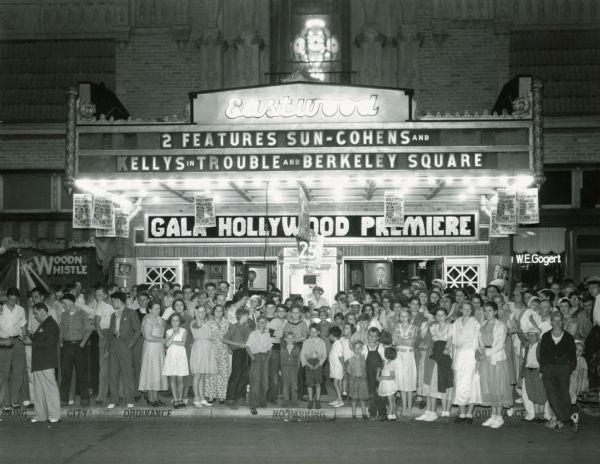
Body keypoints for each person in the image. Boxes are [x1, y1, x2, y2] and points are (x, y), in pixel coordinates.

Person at [477, 301, 513, 429]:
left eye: (490, 311)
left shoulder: (501, 326)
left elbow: (499, 344)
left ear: (496, 312)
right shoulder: (483, 325)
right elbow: (479, 342)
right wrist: (480, 352)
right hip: (485, 359)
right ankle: (493, 415)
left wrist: (485, 353)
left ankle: (499, 417)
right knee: (490, 387)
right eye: (485, 311)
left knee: (499, 387)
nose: (487, 313)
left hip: (496, 359)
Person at [540, 311, 577, 431]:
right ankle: (568, 416)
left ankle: (559, 419)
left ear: (563, 322)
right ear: (551, 321)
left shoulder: (568, 337)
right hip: (548, 369)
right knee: (551, 395)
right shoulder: (545, 336)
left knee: (563, 394)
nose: (557, 323)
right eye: (554, 320)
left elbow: (573, 357)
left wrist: (569, 368)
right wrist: (542, 369)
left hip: (563, 369)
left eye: (559, 320)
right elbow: (542, 355)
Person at [445, 301, 481, 424]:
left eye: (469, 309)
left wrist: (477, 359)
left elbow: (478, 342)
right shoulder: (456, 323)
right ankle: (462, 414)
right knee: (459, 383)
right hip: (459, 355)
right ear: (460, 309)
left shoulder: (475, 324)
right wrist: (449, 352)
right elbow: (451, 339)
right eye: (464, 309)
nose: (466, 311)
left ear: (471, 311)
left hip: (471, 356)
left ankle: (469, 414)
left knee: (471, 383)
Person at [24, 303, 60, 423]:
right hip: (39, 362)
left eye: (35, 313)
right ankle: (41, 415)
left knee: (50, 389)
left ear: (42, 311)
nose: (34, 316)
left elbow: (48, 344)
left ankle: (54, 415)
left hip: (46, 361)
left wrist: (31, 342)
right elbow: (40, 339)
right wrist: (30, 338)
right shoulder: (44, 324)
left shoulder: (51, 324)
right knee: (39, 391)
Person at [418, 307, 453, 422]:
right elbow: (427, 340)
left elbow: (450, 342)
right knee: (428, 382)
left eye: (442, 315)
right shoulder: (432, 326)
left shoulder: (450, 327)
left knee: (435, 382)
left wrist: (446, 349)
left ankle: (433, 411)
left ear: (446, 315)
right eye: (437, 315)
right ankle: (428, 411)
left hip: (442, 356)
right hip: (431, 354)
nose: (439, 317)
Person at [108, 291, 141, 409]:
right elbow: (110, 332)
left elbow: (138, 330)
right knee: (113, 374)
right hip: (114, 345)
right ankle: (113, 400)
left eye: (113, 300)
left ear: (118, 300)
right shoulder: (113, 315)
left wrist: (130, 344)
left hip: (125, 345)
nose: (112, 302)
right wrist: (108, 348)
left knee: (127, 373)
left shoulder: (131, 313)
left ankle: (129, 399)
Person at [59, 293, 92, 407]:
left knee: (82, 373)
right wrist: (61, 342)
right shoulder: (63, 315)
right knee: (65, 373)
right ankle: (63, 399)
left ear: (72, 302)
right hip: (67, 346)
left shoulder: (83, 314)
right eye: (63, 303)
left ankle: (84, 398)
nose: (63, 305)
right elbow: (61, 330)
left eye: (65, 303)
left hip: (79, 345)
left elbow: (89, 330)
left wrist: (82, 343)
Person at [0, 287, 27, 410]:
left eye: (15, 300)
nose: (12, 302)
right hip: (4, 341)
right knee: (4, 373)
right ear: (7, 297)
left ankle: (14, 400)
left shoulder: (20, 309)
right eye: (10, 300)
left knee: (18, 372)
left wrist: (25, 337)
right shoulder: (1, 309)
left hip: (18, 341)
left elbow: (23, 326)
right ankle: (5, 402)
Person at [138, 300, 167, 407]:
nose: (158, 310)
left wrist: (162, 343)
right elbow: (148, 337)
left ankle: (155, 397)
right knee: (151, 371)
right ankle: (150, 398)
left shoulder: (160, 319)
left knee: (157, 372)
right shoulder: (148, 319)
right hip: (151, 348)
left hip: (159, 348)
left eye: (159, 308)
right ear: (149, 309)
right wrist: (161, 340)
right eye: (156, 308)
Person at [223, 308, 252, 409]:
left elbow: (249, 340)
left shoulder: (247, 327)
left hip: (246, 352)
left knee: (245, 375)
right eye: (247, 316)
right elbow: (225, 339)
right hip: (238, 352)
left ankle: (240, 396)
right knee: (236, 375)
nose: (248, 318)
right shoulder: (234, 327)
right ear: (242, 316)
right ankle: (230, 397)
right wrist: (237, 344)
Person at [517, 328, 547, 423]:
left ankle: (541, 416)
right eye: (529, 335)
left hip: (538, 371)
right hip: (529, 371)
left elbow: (544, 360)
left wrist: (542, 371)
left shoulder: (541, 346)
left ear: (538, 337)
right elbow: (525, 360)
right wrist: (523, 373)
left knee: (540, 393)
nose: (531, 337)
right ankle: (536, 415)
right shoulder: (527, 347)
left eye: (533, 335)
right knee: (532, 393)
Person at [189, 307, 217, 408]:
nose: (202, 313)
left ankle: (202, 398)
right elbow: (199, 325)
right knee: (197, 374)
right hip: (199, 349)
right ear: (196, 312)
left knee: (203, 375)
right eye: (199, 312)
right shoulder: (194, 322)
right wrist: (197, 315)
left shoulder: (207, 323)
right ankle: (196, 398)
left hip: (207, 349)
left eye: (203, 311)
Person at [92, 285, 114, 406]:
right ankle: (101, 396)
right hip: (105, 335)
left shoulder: (112, 305)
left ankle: (113, 394)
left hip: (114, 335)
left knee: (114, 367)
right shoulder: (100, 305)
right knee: (104, 368)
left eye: (100, 295)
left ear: (106, 295)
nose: (97, 297)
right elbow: (97, 323)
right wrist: (102, 337)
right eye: (96, 295)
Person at [392, 308, 417, 416]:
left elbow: (411, 342)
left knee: (409, 382)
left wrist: (401, 340)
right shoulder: (397, 327)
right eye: (401, 316)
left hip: (409, 356)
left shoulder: (414, 328)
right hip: (399, 356)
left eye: (405, 316)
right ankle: (404, 407)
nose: (403, 318)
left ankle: (409, 408)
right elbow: (394, 341)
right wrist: (404, 340)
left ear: (409, 317)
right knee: (401, 382)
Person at [246, 315, 272, 415]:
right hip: (256, 357)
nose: (262, 324)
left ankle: (262, 401)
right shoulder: (253, 334)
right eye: (260, 322)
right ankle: (253, 405)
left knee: (265, 381)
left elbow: (270, 347)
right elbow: (247, 347)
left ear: (266, 323)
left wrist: (268, 357)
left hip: (264, 358)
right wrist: (252, 357)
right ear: (257, 323)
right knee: (255, 381)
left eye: (264, 322)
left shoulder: (267, 334)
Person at [164, 313, 189, 409]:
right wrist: (173, 334)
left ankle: (180, 398)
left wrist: (172, 342)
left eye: (177, 320)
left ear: (180, 321)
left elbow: (183, 343)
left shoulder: (183, 331)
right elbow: (166, 344)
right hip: (171, 356)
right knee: (173, 378)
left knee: (180, 379)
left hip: (181, 356)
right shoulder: (168, 331)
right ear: (170, 322)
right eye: (173, 320)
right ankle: (175, 399)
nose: (175, 322)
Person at [205, 304, 230, 404]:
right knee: (211, 373)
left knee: (223, 373)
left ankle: (222, 396)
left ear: (223, 312)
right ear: (213, 312)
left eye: (221, 311)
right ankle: (211, 395)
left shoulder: (227, 323)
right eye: (217, 311)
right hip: (212, 350)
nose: (219, 312)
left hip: (223, 350)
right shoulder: (208, 323)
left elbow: (229, 337)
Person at [300, 323, 327, 409]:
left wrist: (319, 364)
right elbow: (302, 355)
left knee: (318, 384)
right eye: (311, 332)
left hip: (318, 364)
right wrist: (308, 364)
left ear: (319, 332)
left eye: (315, 332)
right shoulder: (306, 342)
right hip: (309, 364)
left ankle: (317, 401)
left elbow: (324, 355)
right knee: (309, 384)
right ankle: (310, 400)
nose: (313, 334)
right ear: (309, 332)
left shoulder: (322, 342)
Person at [266, 304, 287, 404]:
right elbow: (268, 332)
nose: (281, 312)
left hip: (278, 348)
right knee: (273, 374)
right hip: (272, 348)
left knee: (274, 373)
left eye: (283, 311)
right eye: (279, 311)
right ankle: (270, 397)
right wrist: (280, 334)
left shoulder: (284, 321)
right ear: (276, 312)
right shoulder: (276, 321)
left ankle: (272, 396)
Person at [345, 340, 369, 419]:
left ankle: (364, 413)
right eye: (355, 348)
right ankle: (354, 413)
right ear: (353, 349)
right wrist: (352, 374)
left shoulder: (364, 357)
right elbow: (347, 369)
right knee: (354, 397)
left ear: (362, 349)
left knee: (362, 398)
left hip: (362, 380)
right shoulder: (350, 359)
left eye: (359, 348)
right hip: (353, 380)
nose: (357, 350)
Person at [280, 331, 301, 407]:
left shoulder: (297, 349)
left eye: (291, 338)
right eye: (288, 338)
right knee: (285, 385)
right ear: (285, 339)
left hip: (294, 368)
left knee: (294, 385)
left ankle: (294, 401)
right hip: (285, 368)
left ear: (294, 339)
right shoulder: (282, 349)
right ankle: (285, 401)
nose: (290, 340)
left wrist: (297, 369)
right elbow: (281, 360)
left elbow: (298, 360)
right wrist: (280, 369)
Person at [377, 347, 398, 421]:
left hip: (389, 385)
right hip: (386, 384)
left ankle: (390, 415)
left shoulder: (391, 364)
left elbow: (392, 376)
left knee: (391, 401)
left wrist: (382, 377)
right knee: (391, 401)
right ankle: (393, 415)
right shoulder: (385, 362)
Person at [328, 325, 344, 408]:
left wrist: (344, 368)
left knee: (335, 383)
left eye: (329, 335)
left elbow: (341, 357)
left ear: (332, 336)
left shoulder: (338, 345)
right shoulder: (335, 344)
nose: (329, 336)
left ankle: (340, 400)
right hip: (335, 367)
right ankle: (339, 398)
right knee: (338, 383)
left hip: (338, 368)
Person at [569, 340, 588, 405]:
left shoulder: (581, 360)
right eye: (576, 349)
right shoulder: (570, 358)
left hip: (578, 382)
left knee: (575, 399)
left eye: (580, 350)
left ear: (582, 352)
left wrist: (578, 390)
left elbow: (581, 375)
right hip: (571, 381)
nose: (578, 352)